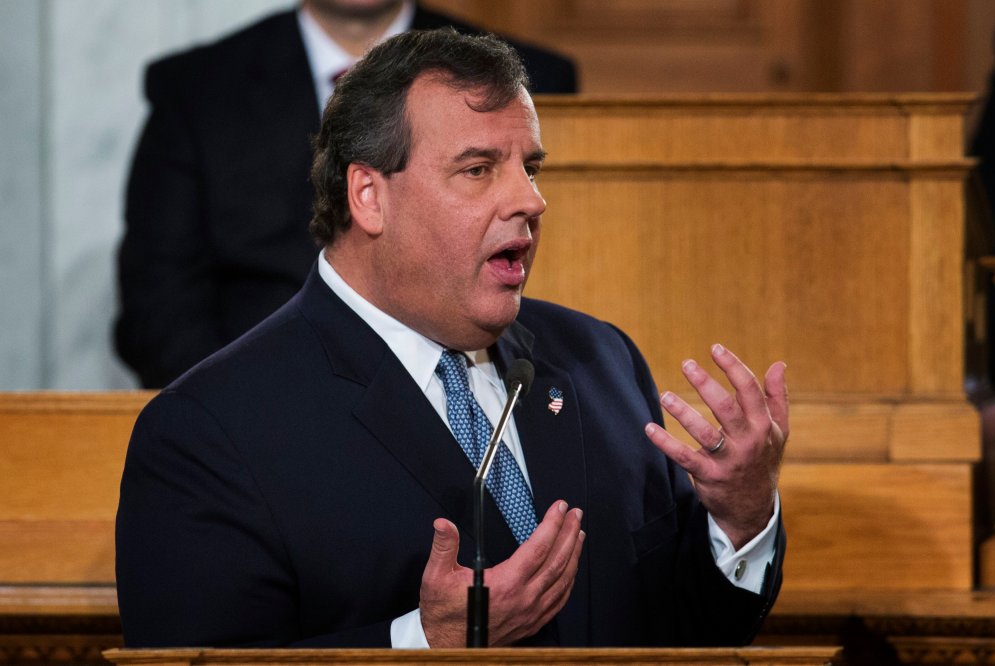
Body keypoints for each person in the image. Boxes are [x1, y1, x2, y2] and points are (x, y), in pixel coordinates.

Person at [115, 28, 786, 649]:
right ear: (368, 197)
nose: (529, 200)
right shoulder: (208, 432)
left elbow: (686, 635)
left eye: (532, 167)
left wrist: (740, 519)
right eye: (479, 169)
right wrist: (427, 643)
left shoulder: (600, 362)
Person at [114, 0, 577, 389]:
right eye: (476, 168)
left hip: (475, 387)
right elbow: (158, 304)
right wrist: (246, 409)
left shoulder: (530, 80)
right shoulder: (198, 89)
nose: (528, 198)